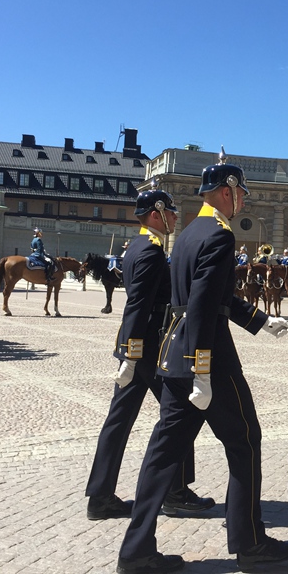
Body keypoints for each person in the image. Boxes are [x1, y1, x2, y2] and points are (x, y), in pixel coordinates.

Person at [116, 148, 288, 573]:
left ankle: (136, 549)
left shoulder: (189, 234)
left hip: (172, 355)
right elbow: (201, 305)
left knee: (163, 455)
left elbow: (213, 295)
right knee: (245, 441)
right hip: (208, 359)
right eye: (243, 193)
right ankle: (250, 542)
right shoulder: (219, 235)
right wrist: (203, 368)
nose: (246, 201)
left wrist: (258, 319)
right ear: (227, 191)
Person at [86, 184, 215, 522]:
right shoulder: (151, 251)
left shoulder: (139, 246)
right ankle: (175, 491)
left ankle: (100, 496)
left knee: (118, 422)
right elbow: (139, 306)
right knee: (180, 415)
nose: (175, 216)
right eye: (171, 211)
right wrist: (132, 354)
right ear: (157, 212)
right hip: (149, 349)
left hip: (137, 348)